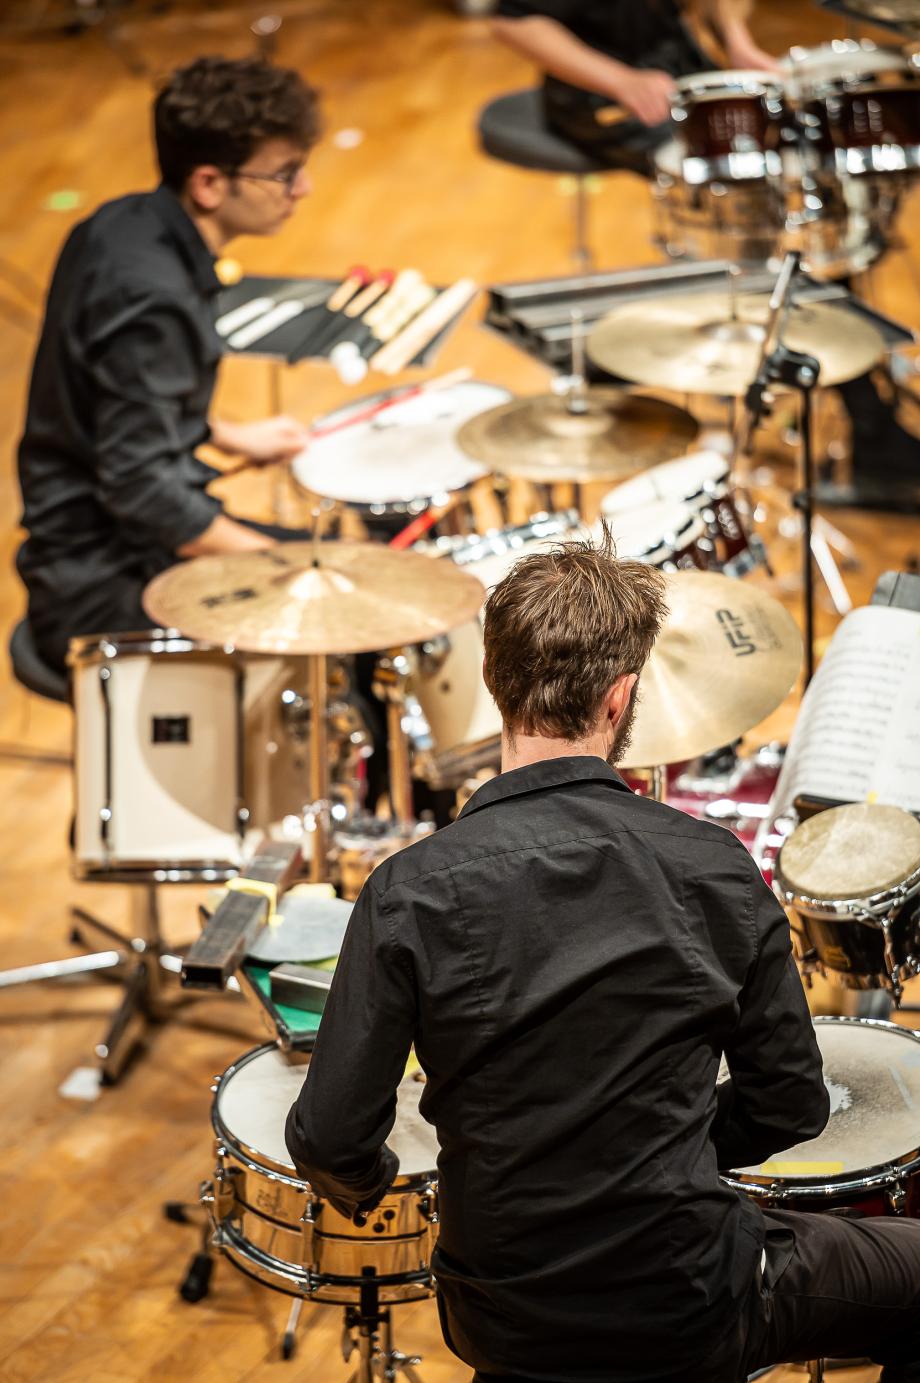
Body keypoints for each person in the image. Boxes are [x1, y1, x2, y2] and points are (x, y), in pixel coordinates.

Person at [286, 530, 920, 1383]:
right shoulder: (713, 867)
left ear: (492, 679)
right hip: (688, 1300)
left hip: (501, 1317)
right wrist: (669, 1148)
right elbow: (792, 1103)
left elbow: (330, 1137)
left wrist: (376, 1180)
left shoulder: (408, 890)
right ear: (621, 697)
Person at [490, 0, 920, 509]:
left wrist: (736, 41)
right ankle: (866, 430)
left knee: (811, 167)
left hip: (684, 67)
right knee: (761, 199)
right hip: (601, 95)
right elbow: (512, 20)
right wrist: (622, 81)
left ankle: (841, 378)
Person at [15, 55, 319, 673]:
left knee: (347, 561)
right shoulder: (153, 297)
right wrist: (282, 568)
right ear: (209, 184)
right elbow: (141, 490)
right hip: (102, 581)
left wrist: (228, 435)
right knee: (341, 610)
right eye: (284, 173)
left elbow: (117, 402)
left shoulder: (119, 225)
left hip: (117, 540)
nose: (303, 188)